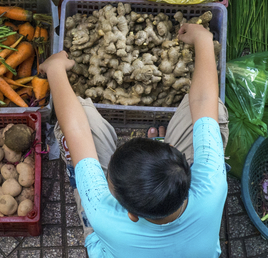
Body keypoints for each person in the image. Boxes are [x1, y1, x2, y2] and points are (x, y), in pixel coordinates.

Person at [41, 23, 229, 258]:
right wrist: (203, 39)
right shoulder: (212, 185)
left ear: (130, 213)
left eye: (109, 182)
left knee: (82, 123)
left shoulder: (104, 215)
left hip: (110, 241)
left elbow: (76, 129)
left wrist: (55, 70)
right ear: (171, 150)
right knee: (213, 113)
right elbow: (204, 100)